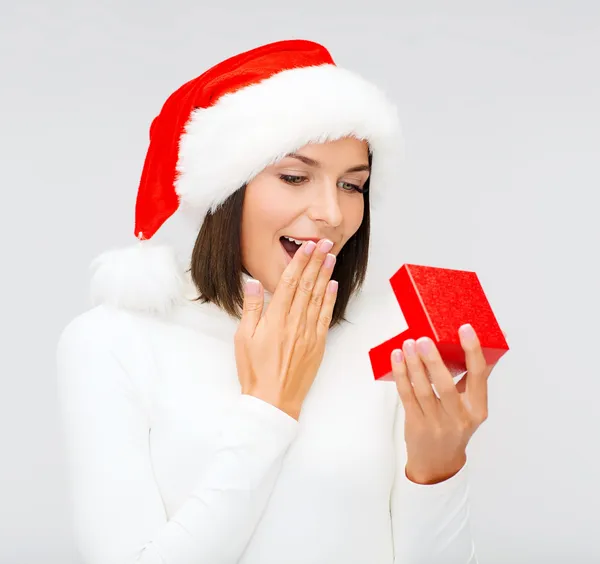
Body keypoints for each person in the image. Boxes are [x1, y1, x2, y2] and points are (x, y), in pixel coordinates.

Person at [56, 39, 494, 564]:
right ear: (226, 190)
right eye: (294, 177)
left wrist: (438, 468)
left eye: (353, 185)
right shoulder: (112, 340)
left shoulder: (390, 334)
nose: (332, 213)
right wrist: (269, 408)